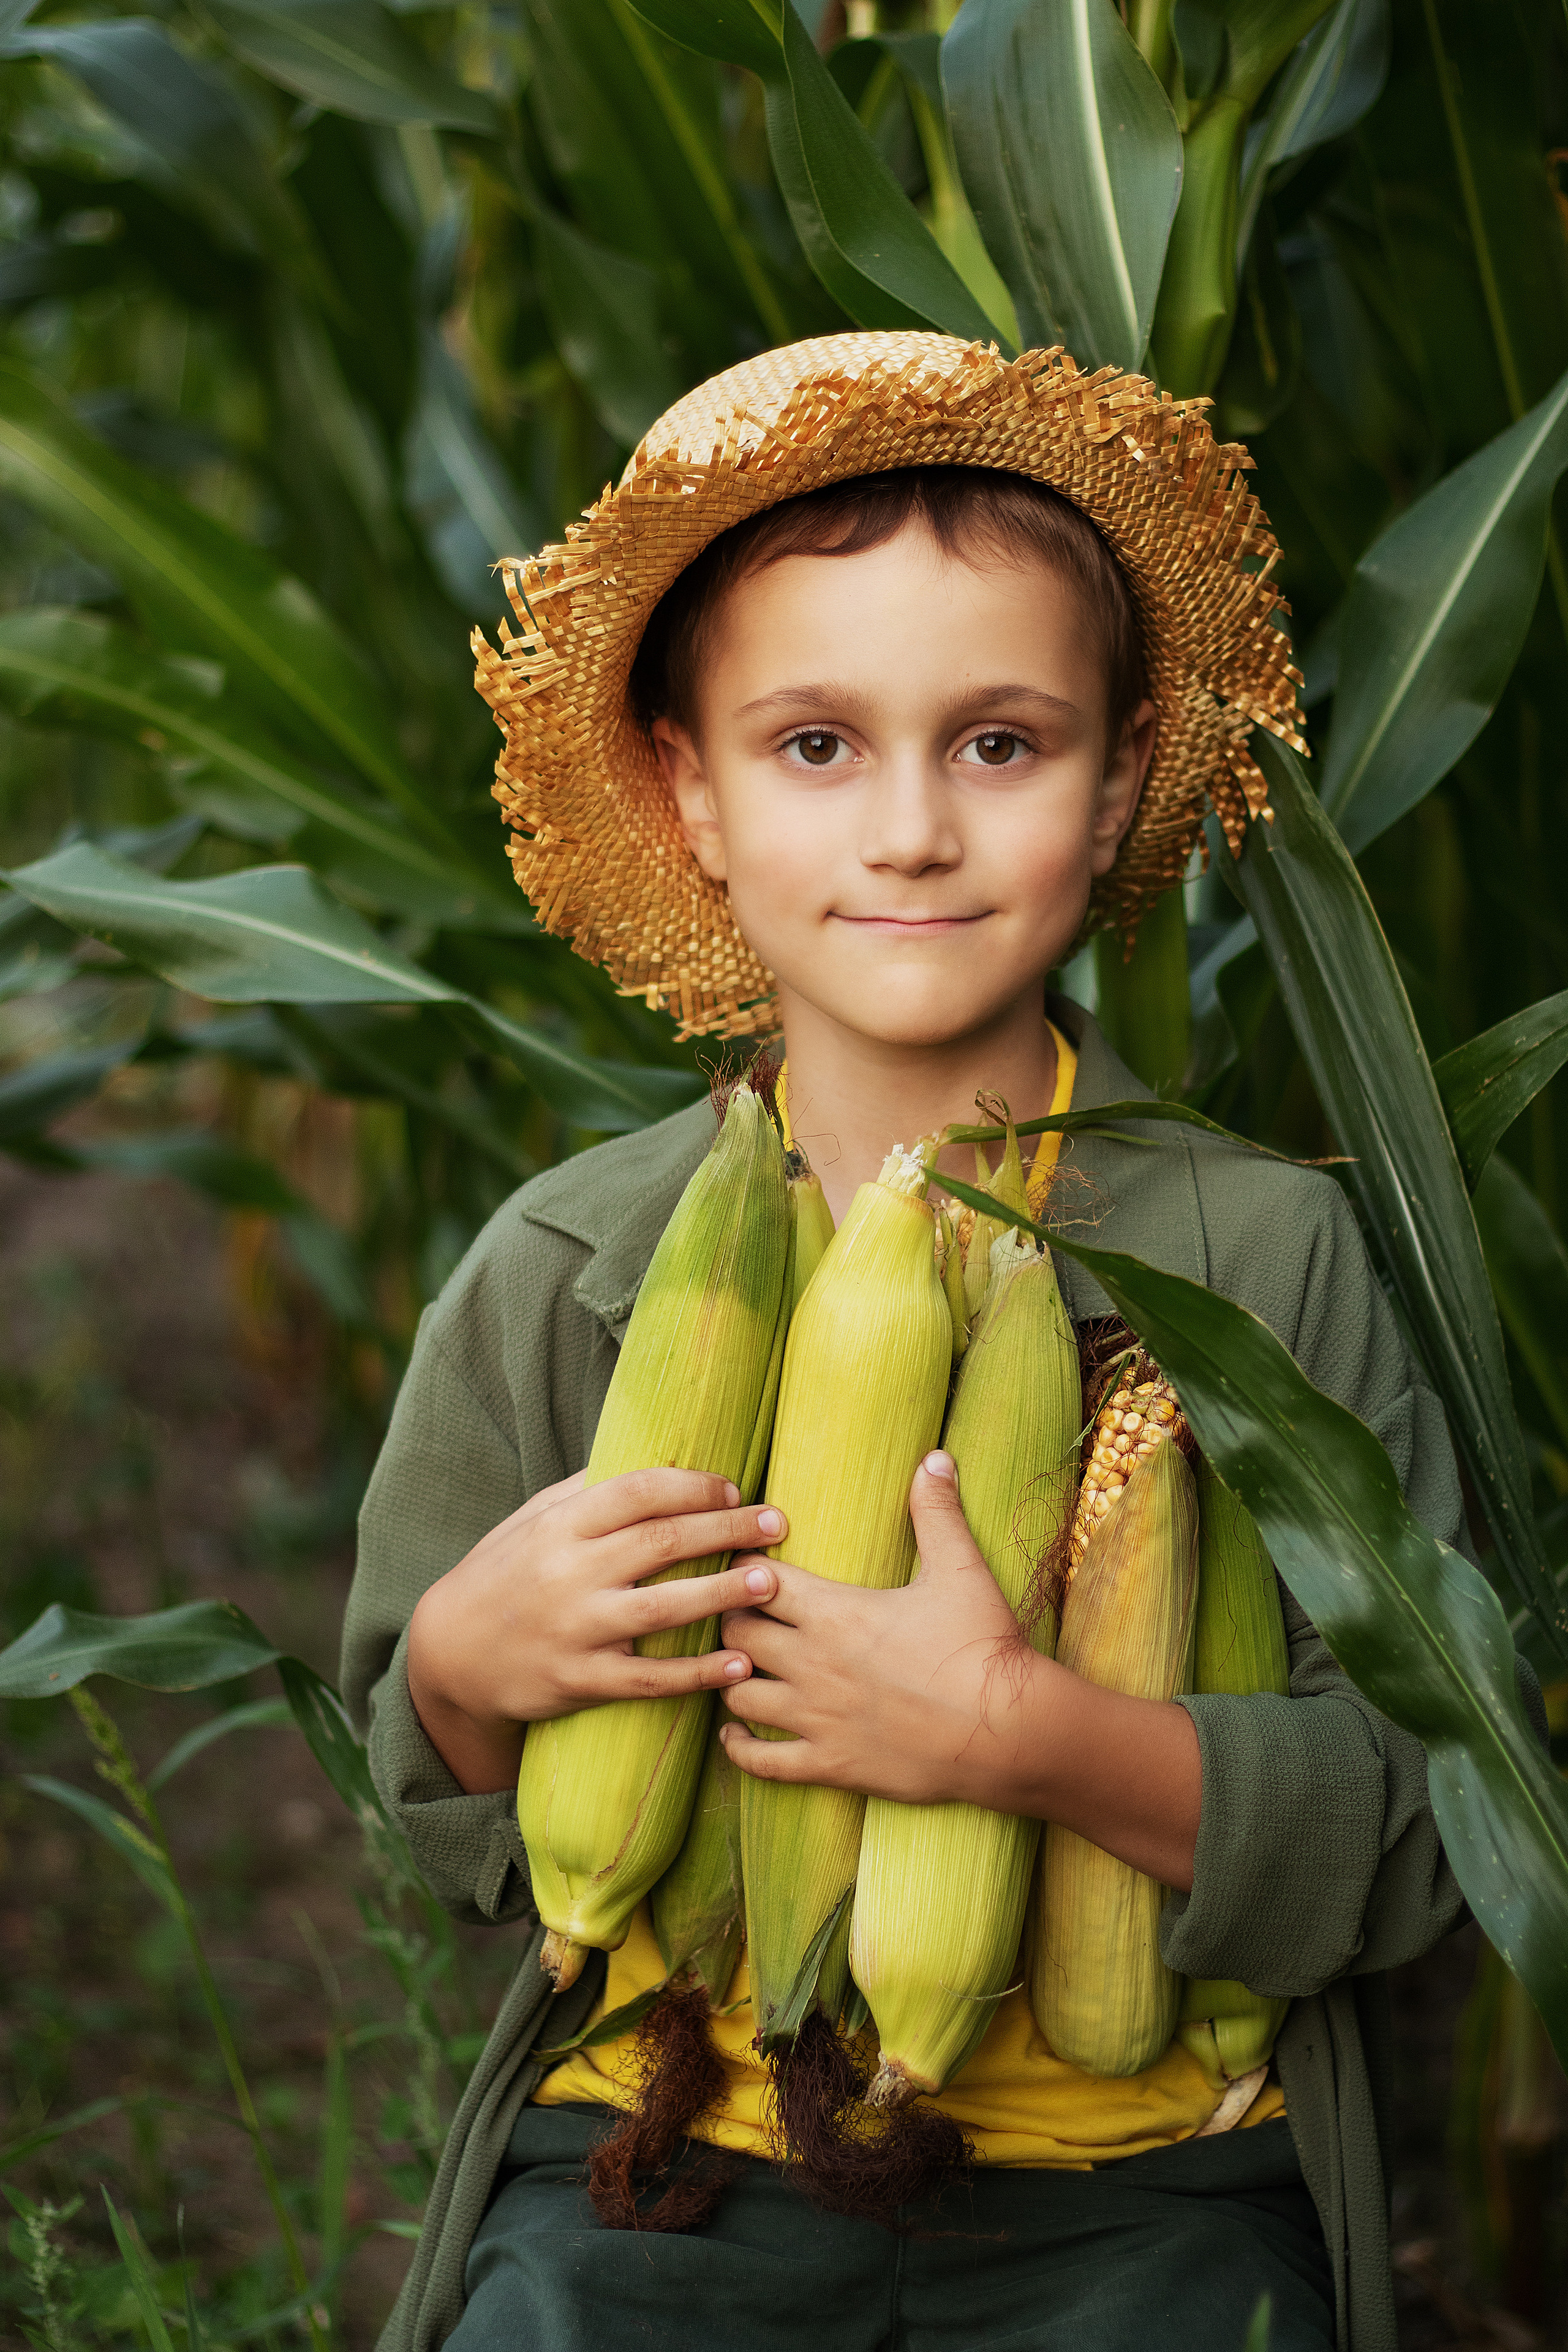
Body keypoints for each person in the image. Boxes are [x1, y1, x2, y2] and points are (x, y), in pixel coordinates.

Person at [340, 334, 1530, 2352]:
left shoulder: (1269, 1256)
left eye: (999, 742)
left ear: (1125, 772)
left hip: (1149, 2187)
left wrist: (1024, 1745)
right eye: (816, 745)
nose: (911, 830)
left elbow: (1435, 1818)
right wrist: (463, 1670)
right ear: (685, 791)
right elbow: (436, 1803)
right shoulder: (564, 1272)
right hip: (664, 2164)